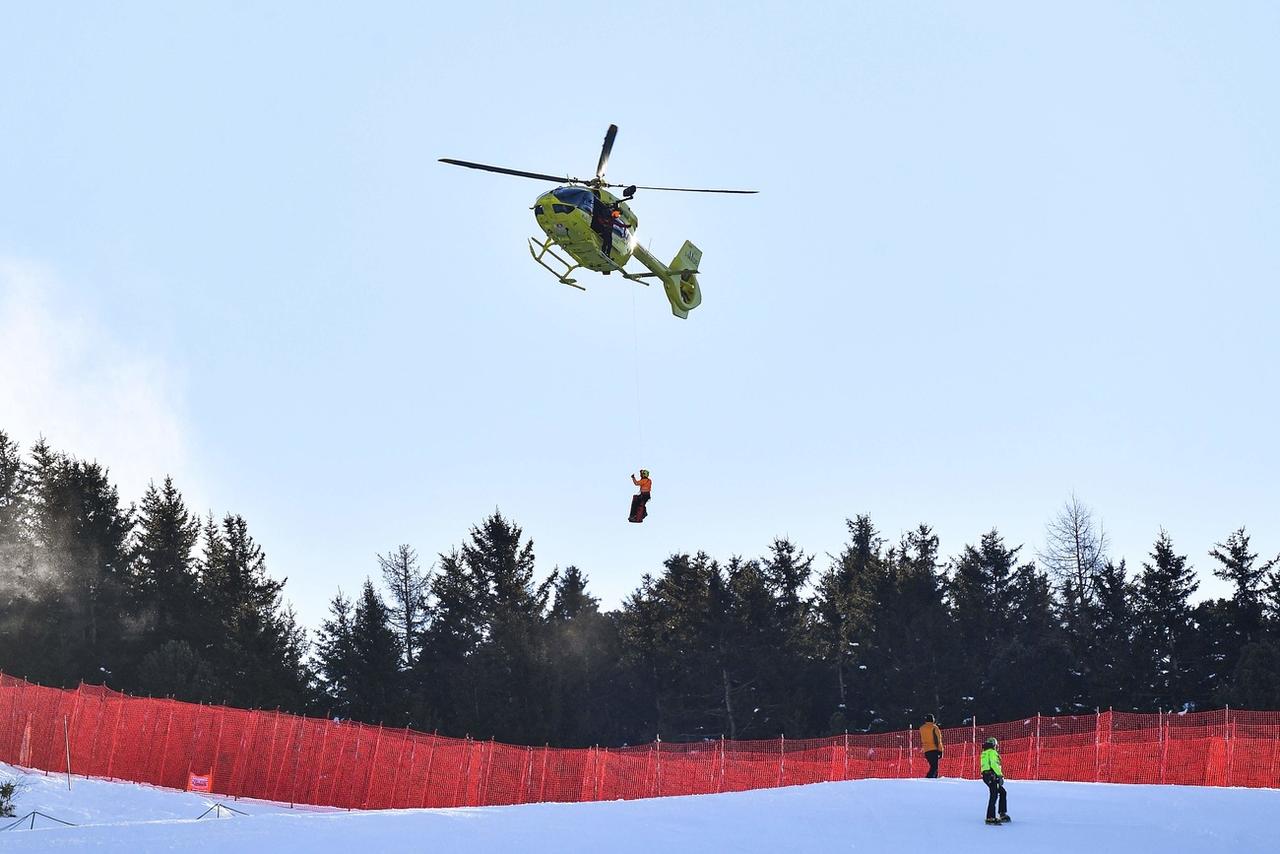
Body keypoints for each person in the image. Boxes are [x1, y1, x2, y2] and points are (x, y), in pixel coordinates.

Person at [980, 736, 1010, 825]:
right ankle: (990, 817)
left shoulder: (984, 753)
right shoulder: (992, 752)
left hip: (986, 775)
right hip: (992, 775)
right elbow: (994, 764)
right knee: (994, 794)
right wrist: (1000, 776)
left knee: (1002, 792)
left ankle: (1002, 813)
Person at [919, 713, 943, 778]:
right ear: (933, 720)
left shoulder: (921, 728)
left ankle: (934, 779)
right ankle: (928, 779)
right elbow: (938, 740)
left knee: (933, 766)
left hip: (926, 750)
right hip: (934, 749)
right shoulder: (934, 728)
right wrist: (941, 750)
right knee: (934, 767)